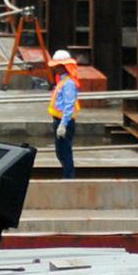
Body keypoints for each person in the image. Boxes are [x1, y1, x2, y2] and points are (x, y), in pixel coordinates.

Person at [47, 49, 81, 179]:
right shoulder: (63, 81)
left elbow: (69, 105)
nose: (55, 68)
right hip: (60, 121)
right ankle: (67, 176)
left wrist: (63, 124)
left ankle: (68, 178)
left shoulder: (68, 83)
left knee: (64, 152)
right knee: (61, 152)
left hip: (64, 122)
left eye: (57, 66)